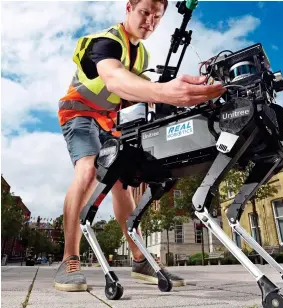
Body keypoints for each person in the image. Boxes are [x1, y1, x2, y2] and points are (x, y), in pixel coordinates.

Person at [54, 0, 226, 292]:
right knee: (87, 170)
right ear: (129, 7)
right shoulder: (106, 42)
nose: (150, 21)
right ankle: (69, 258)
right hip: (79, 114)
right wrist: (163, 92)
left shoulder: (141, 53)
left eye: (157, 17)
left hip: (111, 124)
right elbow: (114, 80)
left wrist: (187, 91)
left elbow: (138, 93)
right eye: (145, 13)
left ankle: (139, 259)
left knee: (123, 182)